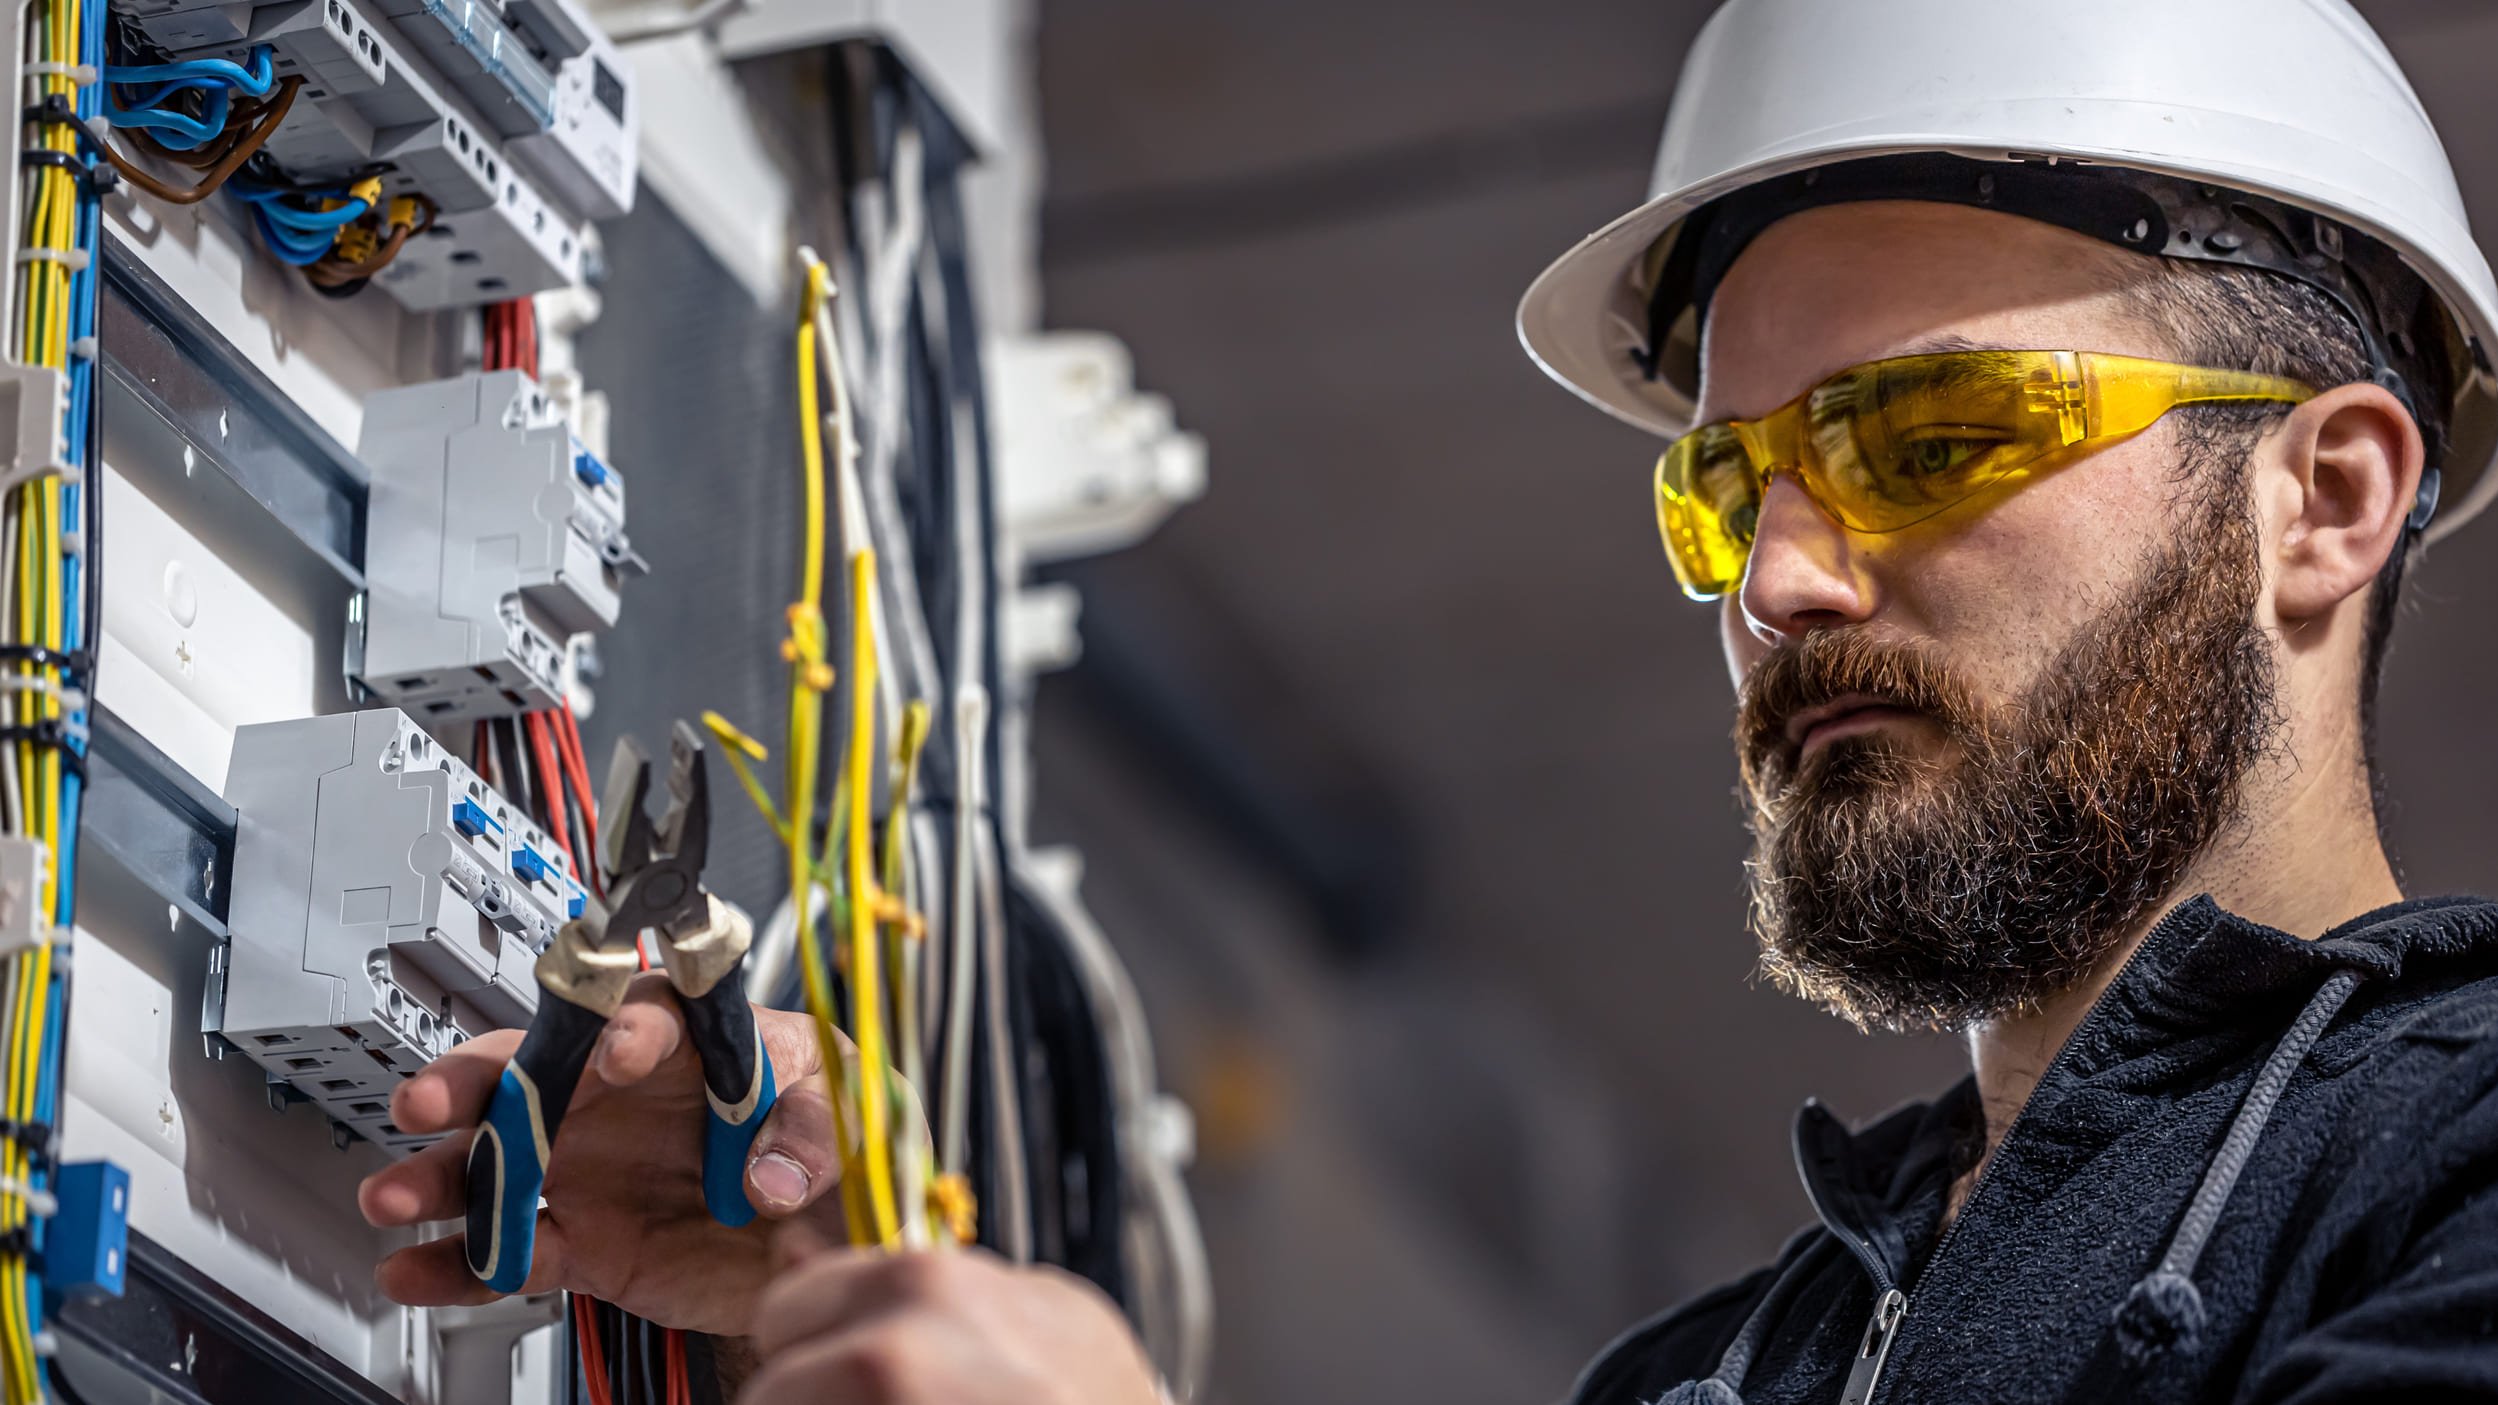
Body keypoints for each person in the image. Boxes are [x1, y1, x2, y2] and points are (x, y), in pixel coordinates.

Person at [358, 0, 2498, 1399]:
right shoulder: (1718, 1377)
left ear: (2318, 499)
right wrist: (851, 1287)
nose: (1777, 578)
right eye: (1723, 482)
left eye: (1931, 437)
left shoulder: (2454, 1165)